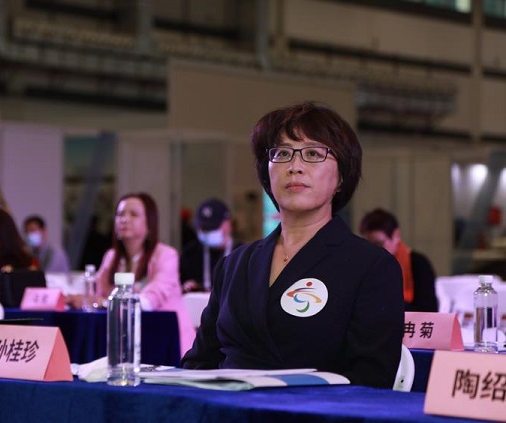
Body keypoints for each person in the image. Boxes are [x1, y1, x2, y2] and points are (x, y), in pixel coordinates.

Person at [181, 101, 405, 388]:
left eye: (313, 154)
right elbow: (199, 363)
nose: (294, 167)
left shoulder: (372, 267)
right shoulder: (235, 264)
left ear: (341, 177)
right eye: (282, 153)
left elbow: (370, 382)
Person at [67, 192, 196, 355]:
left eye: (133, 214)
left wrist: (103, 302)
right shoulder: (111, 256)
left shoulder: (166, 255)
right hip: (126, 343)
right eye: (120, 214)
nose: (124, 219)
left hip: (167, 342)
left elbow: (149, 302)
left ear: (149, 223)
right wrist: (80, 298)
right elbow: (95, 292)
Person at [359, 208, 439, 312]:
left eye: (379, 244)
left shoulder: (418, 264)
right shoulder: (363, 266)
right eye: (367, 245)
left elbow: (428, 309)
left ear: (396, 235)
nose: (373, 250)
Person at [180, 198, 242, 293]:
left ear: (228, 225)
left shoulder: (243, 255)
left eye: (212, 228)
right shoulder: (190, 254)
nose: (207, 233)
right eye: (203, 229)